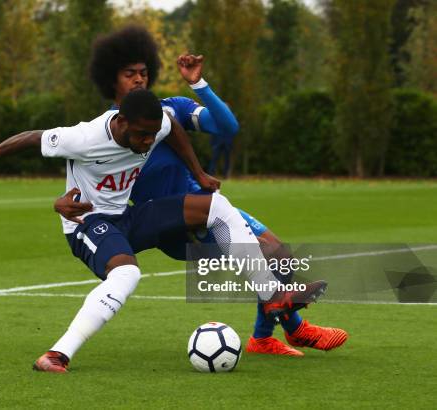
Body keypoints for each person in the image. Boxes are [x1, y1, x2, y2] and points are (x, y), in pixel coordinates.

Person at [0, 89, 329, 373]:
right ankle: (58, 353)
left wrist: (198, 173)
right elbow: (34, 136)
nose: (147, 142)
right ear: (120, 121)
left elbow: (174, 130)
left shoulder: (157, 125)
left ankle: (274, 295)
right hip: (88, 222)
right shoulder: (84, 137)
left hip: (128, 216)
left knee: (217, 205)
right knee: (127, 272)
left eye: (152, 134)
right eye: (140, 135)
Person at [53, 26, 346, 356]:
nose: (138, 79)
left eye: (143, 72)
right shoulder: (106, 132)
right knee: (270, 256)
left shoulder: (169, 111)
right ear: (111, 79)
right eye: (128, 74)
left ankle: (267, 337)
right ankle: (290, 331)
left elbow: (227, 127)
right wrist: (62, 202)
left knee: (279, 257)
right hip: (175, 223)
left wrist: (198, 84)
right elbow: (87, 175)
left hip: (204, 204)